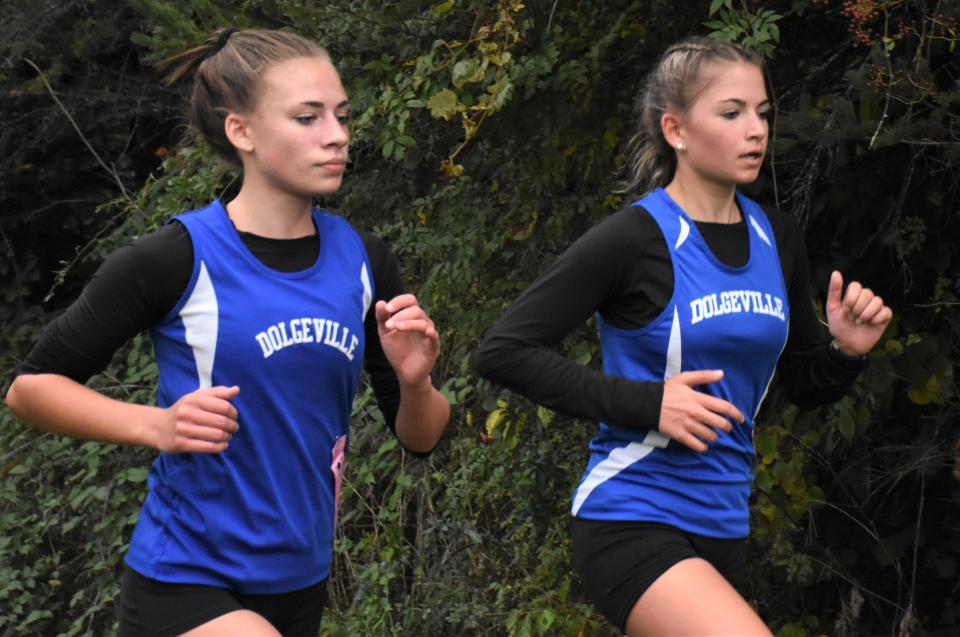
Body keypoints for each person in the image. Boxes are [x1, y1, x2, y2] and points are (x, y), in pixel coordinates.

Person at [5, 27, 450, 637]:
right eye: (307, 117)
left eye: (342, 116)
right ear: (240, 131)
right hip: (187, 578)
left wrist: (416, 382)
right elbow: (30, 389)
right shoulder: (174, 257)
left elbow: (420, 440)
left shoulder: (365, 260)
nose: (337, 135)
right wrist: (156, 425)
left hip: (300, 581)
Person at [475, 36, 892, 636]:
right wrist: (651, 403)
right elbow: (503, 350)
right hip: (633, 515)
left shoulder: (778, 236)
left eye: (763, 113)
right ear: (675, 130)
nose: (756, 130)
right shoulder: (635, 238)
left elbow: (801, 384)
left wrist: (845, 352)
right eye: (731, 113)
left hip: (724, 527)